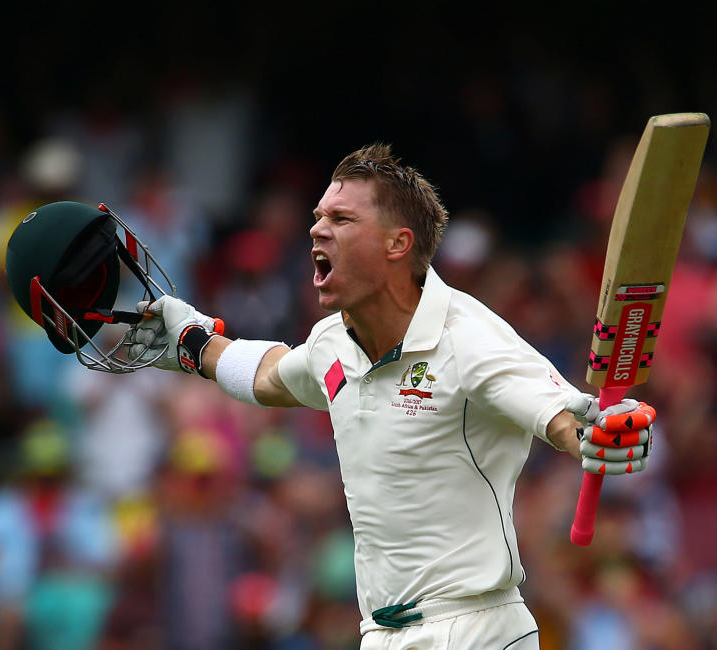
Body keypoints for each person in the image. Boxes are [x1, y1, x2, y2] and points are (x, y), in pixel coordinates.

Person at [129, 144, 655, 649]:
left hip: (475, 629)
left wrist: (598, 434)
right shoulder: (332, 341)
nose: (317, 228)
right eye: (318, 216)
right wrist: (193, 343)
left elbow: (561, 415)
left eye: (341, 219)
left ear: (397, 244)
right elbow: (272, 375)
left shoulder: (469, 338)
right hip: (381, 634)